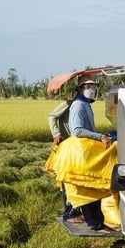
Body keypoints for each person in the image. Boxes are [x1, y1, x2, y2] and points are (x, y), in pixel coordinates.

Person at [69, 76, 113, 233]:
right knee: (87, 188)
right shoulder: (78, 106)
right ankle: (94, 224)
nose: (92, 89)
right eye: (88, 86)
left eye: (94, 86)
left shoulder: (86, 104)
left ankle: (97, 222)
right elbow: (78, 130)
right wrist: (100, 137)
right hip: (81, 152)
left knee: (94, 187)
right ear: (80, 89)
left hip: (88, 150)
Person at [47, 96, 82, 223]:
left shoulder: (82, 103)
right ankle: (69, 213)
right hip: (67, 145)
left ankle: (76, 210)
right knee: (68, 180)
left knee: (76, 180)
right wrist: (56, 134)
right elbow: (52, 116)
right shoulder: (69, 102)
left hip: (77, 147)